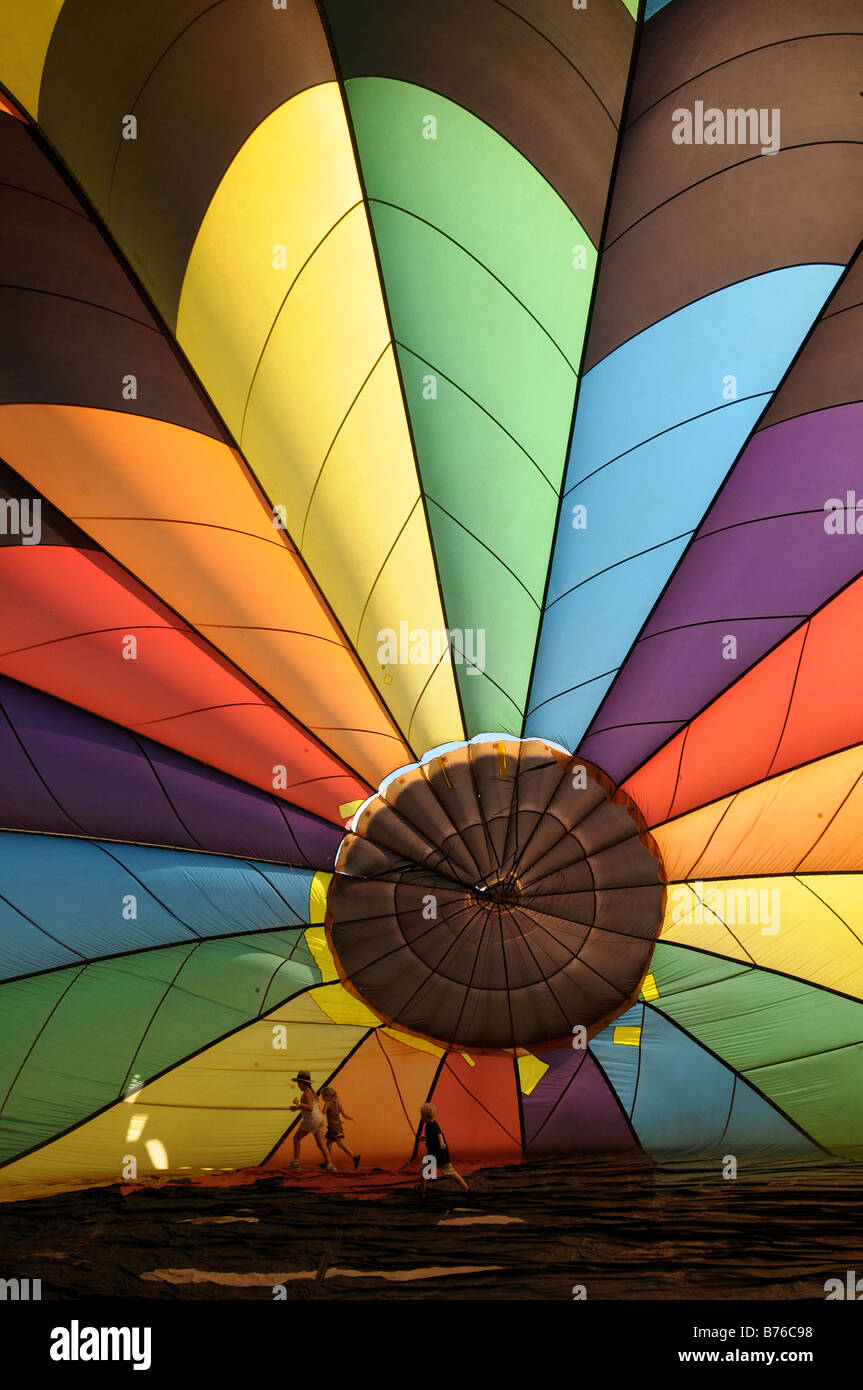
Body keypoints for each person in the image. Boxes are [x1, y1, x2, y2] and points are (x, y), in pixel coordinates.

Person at [288, 1070, 335, 1172]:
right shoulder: (311, 1092)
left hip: (312, 1119)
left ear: (303, 1083)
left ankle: (296, 1163)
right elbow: (312, 1107)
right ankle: (330, 1165)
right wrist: (296, 1108)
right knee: (321, 1144)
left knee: (296, 1138)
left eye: (299, 1083)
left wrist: (298, 1104)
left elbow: (309, 1108)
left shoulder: (306, 1093)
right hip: (319, 1118)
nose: (298, 1086)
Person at [418, 1102, 468, 1193]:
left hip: (437, 1155)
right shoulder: (433, 1123)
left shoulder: (430, 1125)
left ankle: (422, 1192)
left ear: (425, 1117)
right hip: (436, 1154)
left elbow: (439, 1134)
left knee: (425, 1171)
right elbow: (433, 1137)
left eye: (421, 1115)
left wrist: (441, 1143)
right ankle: (422, 1191)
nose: (420, 1117)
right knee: (450, 1172)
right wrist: (425, 1138)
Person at [319, 1086, 361, 1171]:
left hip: (334, 1127)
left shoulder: (327, 1103)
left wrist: (316, 1112)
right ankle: (327, 1162)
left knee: (340, 1144)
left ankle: (354, 1157)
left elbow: (322, 1114)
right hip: (336, 1126)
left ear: (328, 1096)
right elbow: (344, 1115)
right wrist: (352, 1118)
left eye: (323, 1096)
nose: (322, 1098)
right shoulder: (338, 1103)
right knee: (328, 1143)